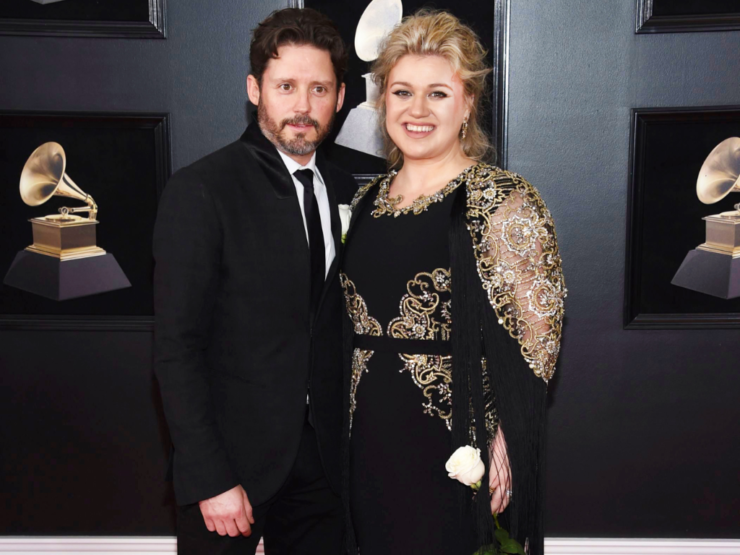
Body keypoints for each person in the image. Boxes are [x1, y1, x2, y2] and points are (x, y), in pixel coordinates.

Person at [339, 10, 566, 555]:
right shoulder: (367, 200)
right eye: (402, 92)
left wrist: (506, 445)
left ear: (467, 105)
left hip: (456, 452)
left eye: (437, 94)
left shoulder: (501, 199)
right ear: (383, 102)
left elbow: (537, 340)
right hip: (364, 447)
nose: (416, 110)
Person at [153, 8, 356, 555]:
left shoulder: (348, 190)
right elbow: (176, 347)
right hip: (231, 466)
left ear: (340, 98)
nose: (302, 106)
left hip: (325, 470)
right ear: (254, 90)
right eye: (285, 86)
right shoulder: (203, 189)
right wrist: (209, 477)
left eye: (319, 89)